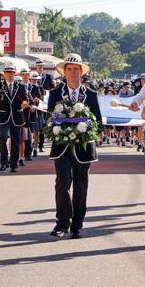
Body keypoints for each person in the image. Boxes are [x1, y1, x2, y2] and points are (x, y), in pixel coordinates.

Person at [48, 53, 102, 239]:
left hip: (83, 148)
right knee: (62, 183)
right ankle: (62, 222)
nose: (72, 72)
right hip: (61, 145)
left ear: (81, 72)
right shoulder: (55, 93)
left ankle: (77, 225)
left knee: (81, 185)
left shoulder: (91, 95)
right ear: (64, 72)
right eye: (69, 69)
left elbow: (98, 123)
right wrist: (63, 126)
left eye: (75, 69)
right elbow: (49, 119)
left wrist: (84, 127)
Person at [0, 62, 29, 173]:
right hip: (2, 117)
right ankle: (4, 162)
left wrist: (25, 102)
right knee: (2, 139)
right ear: (4, 73)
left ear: (14, 73)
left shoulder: (20, 86)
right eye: (7, 72)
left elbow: (26, 98)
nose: (9, 74)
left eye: (11, 72)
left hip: (17, 117)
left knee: (15, 141)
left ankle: (13, 163)